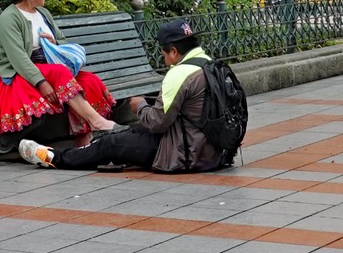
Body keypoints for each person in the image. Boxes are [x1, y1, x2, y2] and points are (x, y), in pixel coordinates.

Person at [19, 18, 226, 172]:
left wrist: (140, 106)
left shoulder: (179, 73)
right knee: (132, 133)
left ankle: (53, 157)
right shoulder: (209, 64)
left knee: (111, 144)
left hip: (183, 153)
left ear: (173, 51)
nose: (163, 58)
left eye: (163, 53)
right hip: (209, 151)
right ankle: (92, 148)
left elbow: (157, 122)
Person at [0, 0, 124, 148]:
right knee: (59, 72)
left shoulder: (43, 13)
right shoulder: (9, 18)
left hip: (51, 66)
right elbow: (18, 58)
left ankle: (84, 136)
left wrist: (54, 43)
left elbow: (62, 42)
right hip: (23, 73)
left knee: (89, 80)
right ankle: (97, 122)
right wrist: (40, 82)